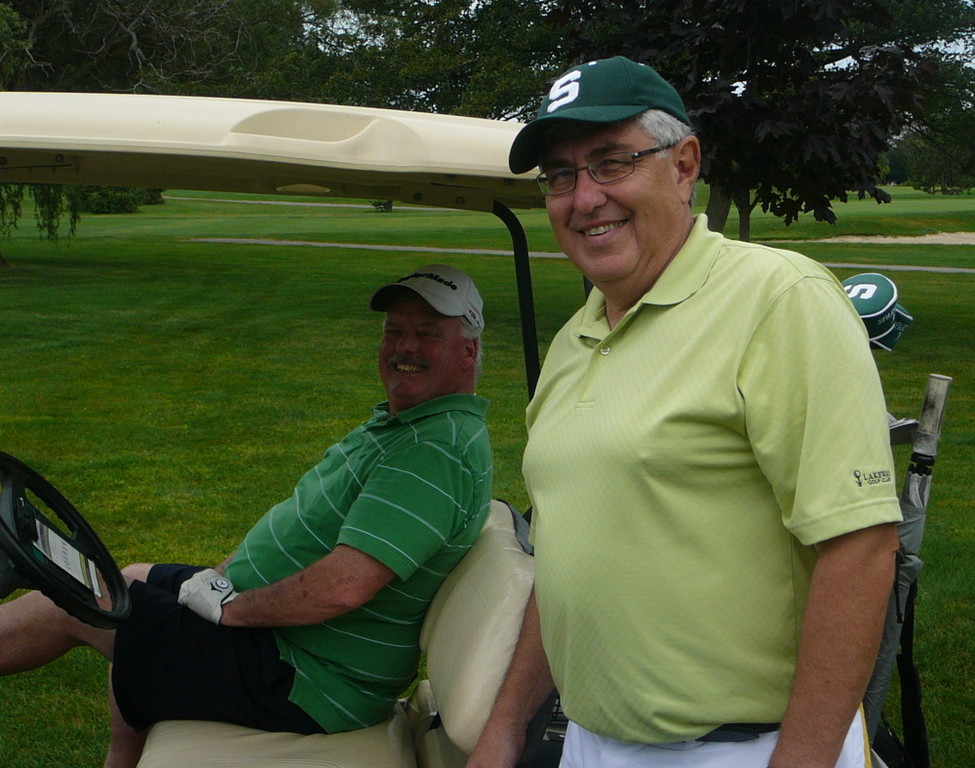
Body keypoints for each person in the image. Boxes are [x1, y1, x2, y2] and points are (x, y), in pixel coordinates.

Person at [468, 57, 903, 768]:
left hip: (746, 748)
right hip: (589, 740)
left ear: (683, 165)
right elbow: (566, 561)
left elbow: (860, 548)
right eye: (560, 175)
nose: (584, 198)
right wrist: (505, 724)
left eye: (611, 162)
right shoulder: (577, 337)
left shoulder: (778, 300)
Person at [0, 263, 493, 768]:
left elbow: (344, 586)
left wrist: (230, 608)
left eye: (427, 334)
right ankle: (123, 756)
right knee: (128, 580)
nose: (404, 347)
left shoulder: (433, 454)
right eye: (394, 331)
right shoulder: (409, 426)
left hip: (308, 678)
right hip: (289, 645)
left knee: (76, 602)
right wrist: (222, 579)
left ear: (468, 351)